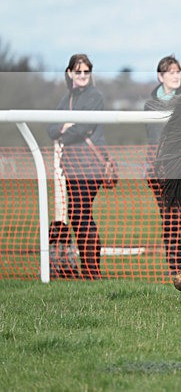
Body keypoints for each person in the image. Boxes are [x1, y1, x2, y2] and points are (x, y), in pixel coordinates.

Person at [47, 53, 105, 279]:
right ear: (70, 73)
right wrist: (65, 127)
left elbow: (83, 128)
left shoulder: (95, 96)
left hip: (89, 166)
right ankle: (87, 269)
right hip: (71, 165)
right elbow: (51, 129)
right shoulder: (66, 99)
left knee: (82, 213)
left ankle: (92, 271)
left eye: (86, 72)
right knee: (77, 213)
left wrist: (66, 128)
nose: (83, 76)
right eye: (78, 71)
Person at [143, 55, 181, 274]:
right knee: (169, 219)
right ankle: (175, 268)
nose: (176, 76)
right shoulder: (150, 105)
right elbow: (153, 140)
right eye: (171, 72)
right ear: (161, 76)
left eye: (178, 72)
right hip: (161, 171)